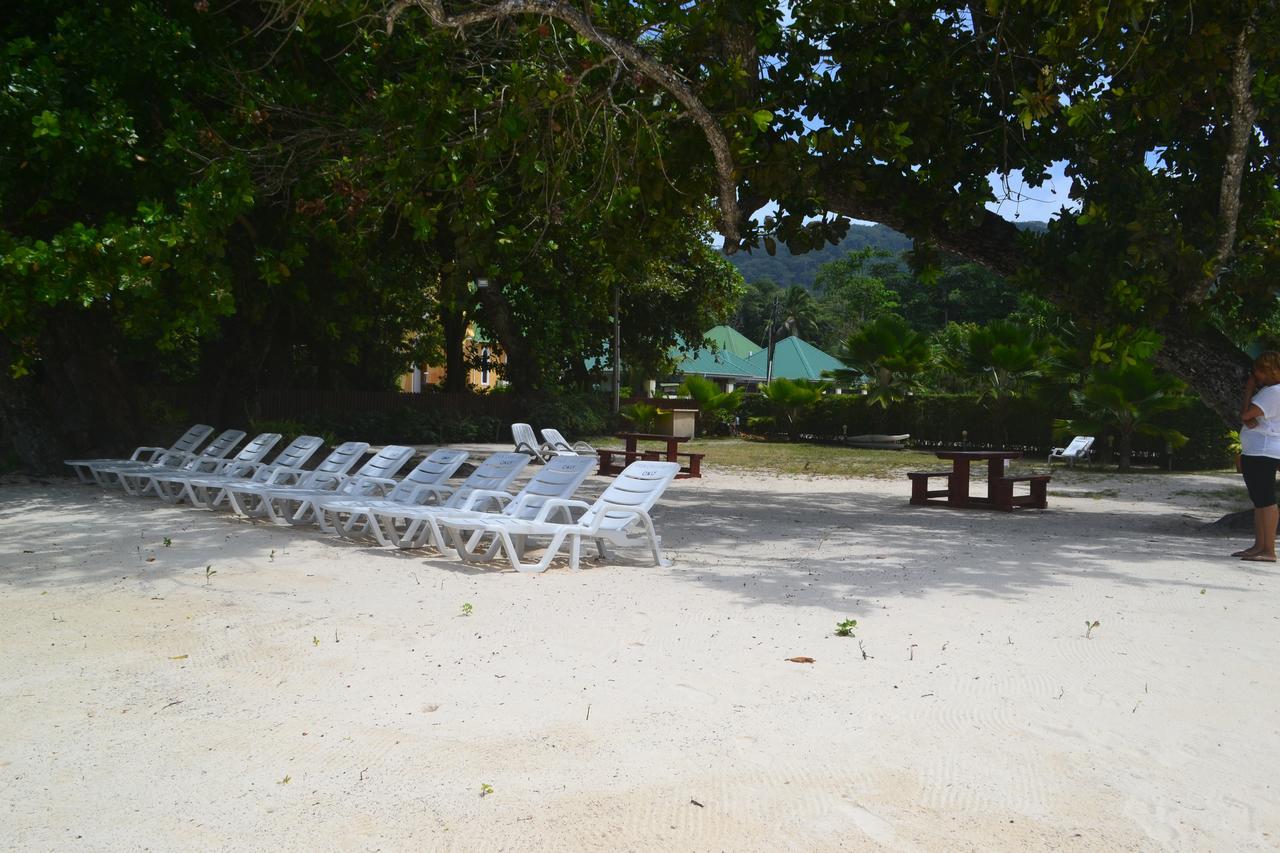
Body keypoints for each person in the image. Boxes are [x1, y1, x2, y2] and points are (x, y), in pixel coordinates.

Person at [1235, 351, 1280, 561]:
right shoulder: (1272, 391)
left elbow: (1246, 414)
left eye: (1260, 370)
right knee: (1259, 499)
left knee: (1266, 499)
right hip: (1257, 450)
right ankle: (1259, 546)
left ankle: (1269, 550)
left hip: (1263, 450)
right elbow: (1249, 417)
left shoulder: (1273, 392)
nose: (1256, 374)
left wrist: (1249, 389)